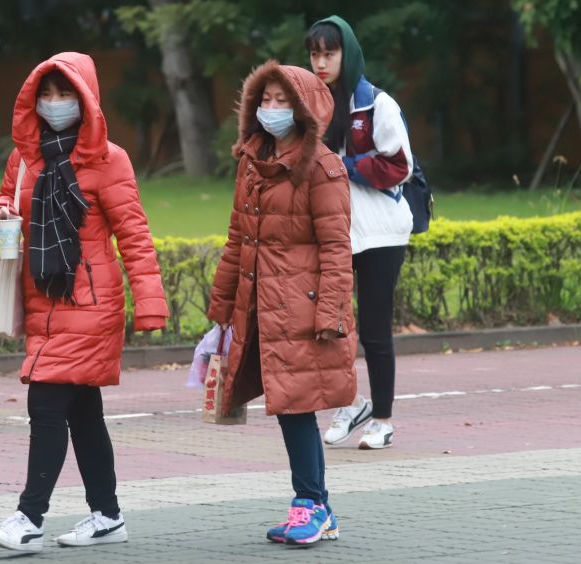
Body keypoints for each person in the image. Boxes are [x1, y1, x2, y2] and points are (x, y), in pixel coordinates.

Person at [0, 52, 168, 553]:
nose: (55, 103)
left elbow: (135, 235)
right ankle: (107, 515)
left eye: (66, 94)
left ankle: (29, 516)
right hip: (41, 298)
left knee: (45, 401)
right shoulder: (25, 157)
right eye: (48, 94)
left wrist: (150, 303)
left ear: (86, 100)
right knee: (84, 412)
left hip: (90, 302)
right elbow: (3, 200)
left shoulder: (111, 159)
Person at [207, 60, 357, 546]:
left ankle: (309, 505)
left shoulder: (323, 168)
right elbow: (237, 241)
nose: (271, 110)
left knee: (296, 407)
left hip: (304, 309)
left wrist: (330, 312)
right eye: (264, 101)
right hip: (260, 305)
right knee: (292, 407)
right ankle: (318, 507)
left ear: (303, 109)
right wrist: (221, 314)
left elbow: (337, 247)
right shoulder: (251, 162)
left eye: (281, 102)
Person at [306, 16, 414, 450]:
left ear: (345, 53)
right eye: (314, 53)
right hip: (333, 232)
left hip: (381, 233)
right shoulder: (311, 106)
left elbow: (399, 165)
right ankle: (352, 401)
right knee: (330, 325)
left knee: (373, 328)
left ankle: (383, 420)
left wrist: (343, 167)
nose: (320, 62)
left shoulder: (377, 104)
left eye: (328, 52)